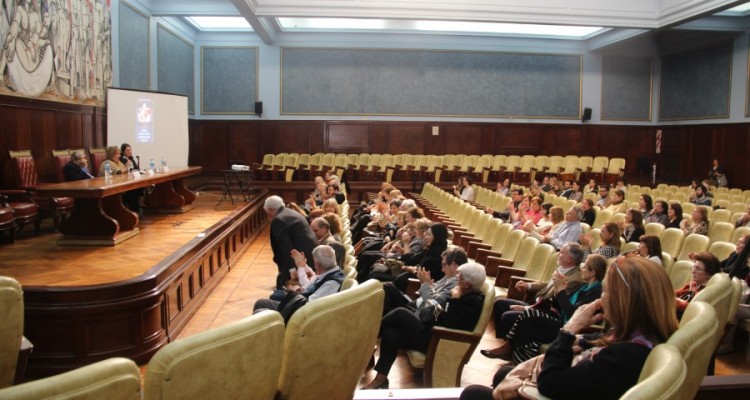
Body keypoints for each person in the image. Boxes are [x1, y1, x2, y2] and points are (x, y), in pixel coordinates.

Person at [534, 256, 679, 399]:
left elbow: (550, 383)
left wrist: (569, 329)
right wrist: (582, 339)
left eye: (604, 291)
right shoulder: (647, 337)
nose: (600, 299)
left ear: (622, 299)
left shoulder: (621, 357)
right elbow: (612, 339)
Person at [362, 262, 486, 389]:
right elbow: (442, 314)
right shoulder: (464, 294)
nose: (457, 279)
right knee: (390, 334)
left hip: (438, 341)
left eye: (460, 277)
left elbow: (451, 323)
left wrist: (454, 300)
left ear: (467, 284)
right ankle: (380, 379)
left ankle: (365, 341)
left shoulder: (473, 301)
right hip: (432, 331)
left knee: (400, 313)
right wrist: (435, 312)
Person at [482, 248, 598, 364]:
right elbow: (547, 286)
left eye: (585, 267)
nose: (582, 269)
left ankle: (510, 350)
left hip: (552, 314)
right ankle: (509, 346)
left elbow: (567, 309)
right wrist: (528, 286)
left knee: (515, 316)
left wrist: (559, 291)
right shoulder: (582, 285)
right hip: (541, 305)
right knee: (500, 305)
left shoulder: (578, 282)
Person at [253, 245, 344, 312]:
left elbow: (309, 305)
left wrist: (294, 293)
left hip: (299, 313)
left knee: (261, 303)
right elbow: (308, 286)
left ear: (317, 264)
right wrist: (302, 266)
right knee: (268, 299)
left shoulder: (331, 283)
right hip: (300, 302)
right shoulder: (327, 271)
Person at [381, 247, 467, 316]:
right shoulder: (448, 277)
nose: (442, 269)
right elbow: (433, 290)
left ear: (453, 265)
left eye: (444, 265)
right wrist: (427, 283)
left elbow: (434, 304)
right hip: (416, 304)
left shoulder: (455, 284)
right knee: (387, 287)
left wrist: (426, 283)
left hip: (420, 312)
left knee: (394, 310)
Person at [265, 196, 318, 289]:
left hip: (299, 260)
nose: (267, 216)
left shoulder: (278, 220)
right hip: (309, 256)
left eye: (266, 213)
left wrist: (292, 269)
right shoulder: (292, 213)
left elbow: (285, 247)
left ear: (270, 210)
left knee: (284, 288)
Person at [392, 223, 449, 291]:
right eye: (426, 234)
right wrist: (414, 268)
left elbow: (428, 277)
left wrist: (414, 270)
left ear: (437, 236)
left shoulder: (439, 255)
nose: (425, 237)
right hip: (409, 279)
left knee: (387, 285)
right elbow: (412, 261)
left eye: (428, 234)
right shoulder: (430, 249)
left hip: (415, 285)